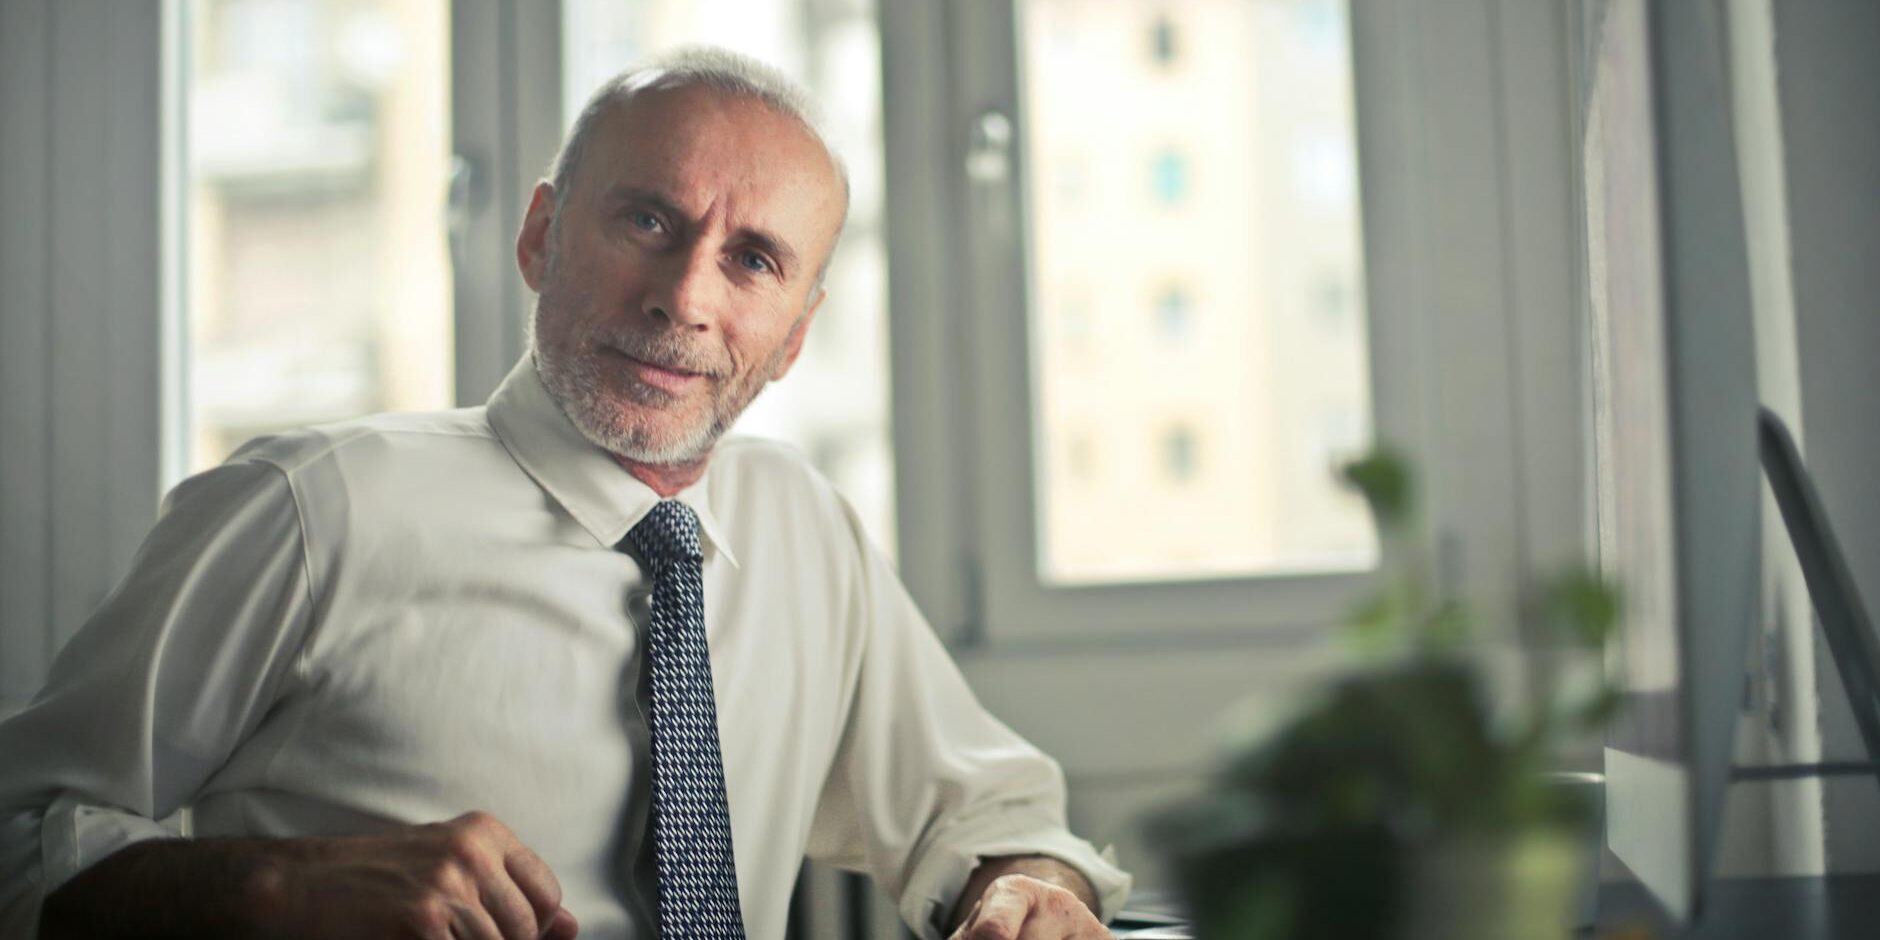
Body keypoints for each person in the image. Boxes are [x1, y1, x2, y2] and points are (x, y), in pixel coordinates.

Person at [0, 47, 1129, 940]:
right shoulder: (308, 508)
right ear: (541, 234)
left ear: (792, 338)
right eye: (648, 220)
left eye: (753, 261)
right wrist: (276, 890)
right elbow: (15, 837)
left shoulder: (803, 524)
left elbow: (985, 814)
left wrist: (1019, 889)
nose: (683, 297)